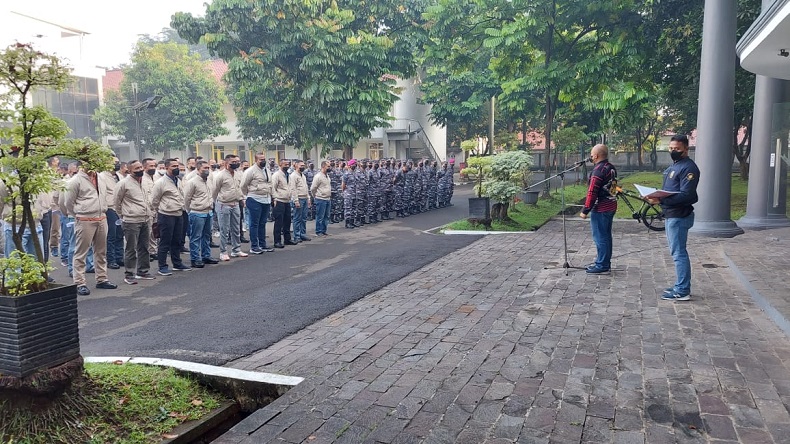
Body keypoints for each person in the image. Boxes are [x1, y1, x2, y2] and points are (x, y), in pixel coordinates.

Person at [648, 134, 700, 301]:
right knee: (676, 251)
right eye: (670, 148)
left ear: (686, 148)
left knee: (678, 253)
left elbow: (687, 195)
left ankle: (682, 290)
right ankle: (680, 285)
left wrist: (661, 200)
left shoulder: (689, 168)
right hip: (671, 214)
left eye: (677, 149)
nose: (673, 151)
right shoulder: (675, 165)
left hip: (679, 215)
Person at [64, 164, 117, 295]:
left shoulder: (101, 177)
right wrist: (79, 215)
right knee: (81, 252)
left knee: (101, 251)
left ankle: (102, 279)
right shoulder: (75, 180)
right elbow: (67, 203)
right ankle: (79, 283)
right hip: (85, 219)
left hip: (101, 217)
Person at [114, 160, 156, 284]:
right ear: (129, 170)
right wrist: (124, 215)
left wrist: (151, 211)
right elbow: (116, 202)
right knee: (131, 248)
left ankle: (143, 271)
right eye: (136, 168)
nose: (140, 170)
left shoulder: (145, 181)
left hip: (146, 218)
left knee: (144, 247)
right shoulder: (123, 183)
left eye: (140, 167)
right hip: (131, 220)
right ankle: (129, 274)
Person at [579, 144, 617, 274]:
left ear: (595, 156)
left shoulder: (598, 171)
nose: (590, 157)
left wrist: (585, 210)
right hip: (611, 205)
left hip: (601, 208)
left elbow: (592, 192)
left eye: (591, 155)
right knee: (606, 236)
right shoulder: (610, 168)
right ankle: (604, 263)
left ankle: (602, 265)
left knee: (600, 237)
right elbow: (613, 188)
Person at [151, 159, 191, 275]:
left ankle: (177, 263)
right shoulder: (160, 182)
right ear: (166, 168)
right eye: (173, 166)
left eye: (177, 166)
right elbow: (154, 200)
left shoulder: (177, 180)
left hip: (179, 213)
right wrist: (160, 211)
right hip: (166, 215)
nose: (176, 168)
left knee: (177, 240)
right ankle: (162, 266)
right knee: (165, 241)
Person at [184, 160, 219, 267]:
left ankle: (206, 256)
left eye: (208, 168)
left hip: (208, 212)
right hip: (197, 212)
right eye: (204, 168)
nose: (207, 170)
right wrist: (190, 210)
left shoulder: (209, 180)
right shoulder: (192, 182)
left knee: (207, 236)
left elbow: (212, 194)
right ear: (198, 169)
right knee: (196, 237)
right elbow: (186, 198)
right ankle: (195, 258)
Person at [212, 154, 248, 261]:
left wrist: (242, 199)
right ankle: (223, 252)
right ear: (226, 163)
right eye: (233, 162)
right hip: (224, 204)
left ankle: (236, 249)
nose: (236, 163)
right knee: (224, 230)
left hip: (236, 204)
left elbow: (239, 188)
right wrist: (216, 204)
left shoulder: (238, 174)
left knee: (236, 228)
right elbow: (215, 191)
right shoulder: (220, 176)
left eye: (237, 161)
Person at [241, 153, 275, 254]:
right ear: (256, 160)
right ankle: (254, 246)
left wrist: (273, 197)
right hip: (254, 198)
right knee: (254, 224)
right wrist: (246, 196)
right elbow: (243, 185)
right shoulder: (250, 171)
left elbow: (270, 184)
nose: (263, 161)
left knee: (262, 223)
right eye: (261, 159)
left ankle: (262, 245)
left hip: (266, 199)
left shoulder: (267, 170)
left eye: (264, 159)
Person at [101, 156, 124, 270]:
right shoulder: (102, 177)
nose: (117, 164)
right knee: (111, 235)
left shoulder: (119, 176)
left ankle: (120, 257)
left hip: (120, 208)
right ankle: (111, 259)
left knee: (120, 234)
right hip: (109, 208)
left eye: (118, 162)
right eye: (114, 162)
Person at [271, 158, 297, 248]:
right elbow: (273, 188)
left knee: (287, 220)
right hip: (279, 200)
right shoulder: (276, 175)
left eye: (288, 164)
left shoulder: (288, 175)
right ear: (280, 165)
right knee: (279, 222)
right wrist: (274, 199)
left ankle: (287, 239)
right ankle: (277, 241)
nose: (287, 166)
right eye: (285, 164)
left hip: (287, 200)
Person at [291, 160, 311, 242]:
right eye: (301, 165)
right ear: (296, 165)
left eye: (303, 165)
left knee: (303, 218)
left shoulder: (303, 175)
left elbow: (306, 187)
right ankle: (297, 235)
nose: (303, 167)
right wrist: (296, 200)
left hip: (304, 198)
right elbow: (293, 189)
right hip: (299, 198)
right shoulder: (293, 176)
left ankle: (302, 234)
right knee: (297, 218)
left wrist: (308, 198)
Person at [311, 160, 332, 236]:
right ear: (323, 166)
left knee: (326, 216)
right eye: (328, 166)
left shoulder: (327, 176)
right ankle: (318, 231)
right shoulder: (318, 176)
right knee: (320, 216)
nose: (330, 168)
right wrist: (315, 196)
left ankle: (323, 230)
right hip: (320, 199)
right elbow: (313, 188)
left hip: (327, 198)